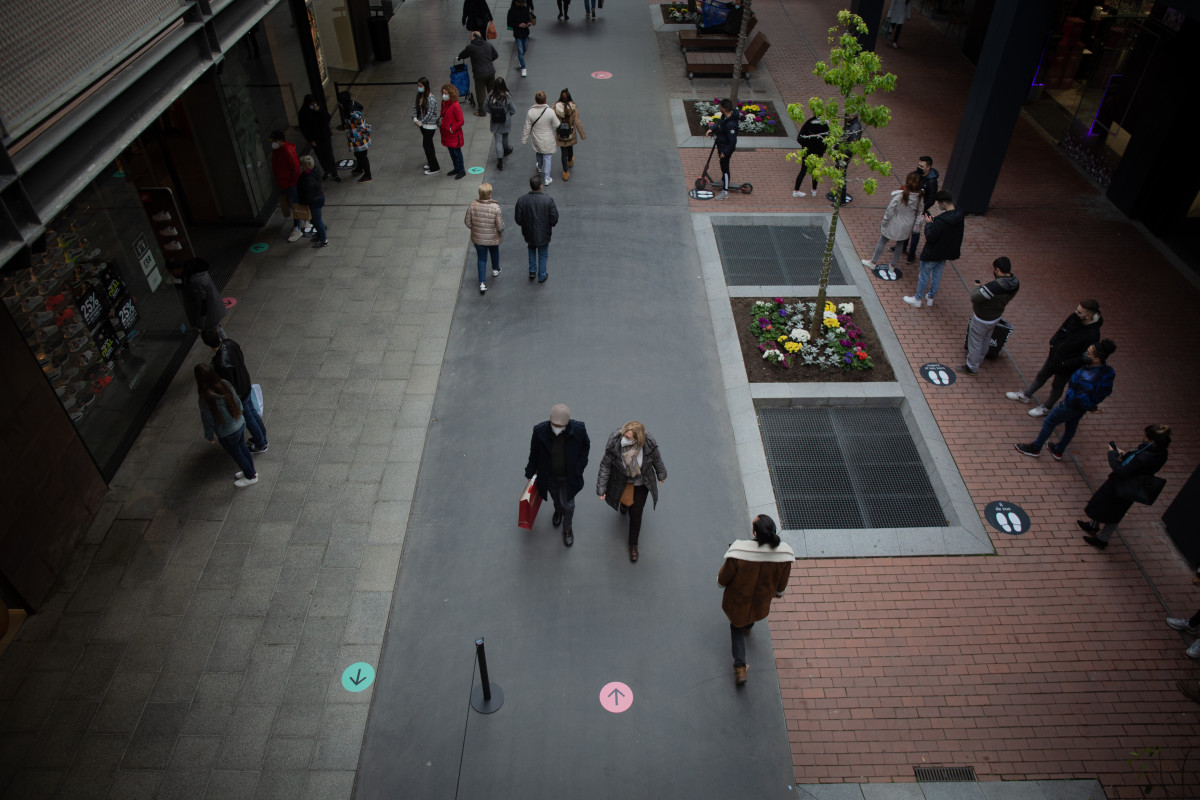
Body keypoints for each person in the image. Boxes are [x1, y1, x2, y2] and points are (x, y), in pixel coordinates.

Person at [718, 514, 794, 686]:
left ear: (755, 532)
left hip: (738, 601)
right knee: (750, 618)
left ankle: (740, 667)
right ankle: (748, 626)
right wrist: (778, 592)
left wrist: (720, 582)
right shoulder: (784, 556)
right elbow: (781, 586)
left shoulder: (739, 552)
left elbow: (723, 578)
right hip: (761, 602)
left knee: (736, 627)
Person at [1015, 340, 1117, 459]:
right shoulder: (1108, 372)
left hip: (1070, 405)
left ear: (1096, 359)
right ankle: (1059, 450)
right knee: (1071, 426)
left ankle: (1036, 447)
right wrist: (1092, 406)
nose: (1085, 354)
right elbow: (1105, 391)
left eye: (1088, 353)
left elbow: (1080, 398)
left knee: (1049, 422)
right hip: (1082, 408)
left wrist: (1076, 404)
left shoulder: (1086, 377)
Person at [1079, 424, 1170, 549]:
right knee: (1105, 505)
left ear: (1153, 440)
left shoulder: (1146, 457)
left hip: (1124, 486)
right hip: (1131, 485)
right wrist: (1125, 456)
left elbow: (1121, 471)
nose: (1144, 438)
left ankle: (1102, 539)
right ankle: (1093, 525)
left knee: (1114, 512)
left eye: (1146, 437)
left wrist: (1112, 455)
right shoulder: (1160, 452)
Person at [1006, 300, 1103, 417]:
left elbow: (1085, 356)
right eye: (1077, 309)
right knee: (1041, 375)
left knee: (1057, 386)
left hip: (1067, 366)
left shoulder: (1093, 335)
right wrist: (1053, 343)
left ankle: (1046, 407)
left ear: (1088, 316)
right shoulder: (1074, 317)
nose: (1075, 312)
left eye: (1079, 312)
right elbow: (1062, 329)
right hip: (1054, 356)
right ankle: (1026, 395)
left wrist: (1066, 363)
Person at [596, 422, 668, 563]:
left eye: (629, 437)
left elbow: (657, 459)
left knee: (636, 514)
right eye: (625, 435)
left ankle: (633, 544)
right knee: (624, 499)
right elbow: (605, 465)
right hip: (621, 480)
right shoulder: (615, 442)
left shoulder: (648, 443)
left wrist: (661, 474)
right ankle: (624, 504)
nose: (625, 438)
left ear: (638, 440)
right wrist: (601, 488)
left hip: (641, 483)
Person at [524, 404, 590, 547]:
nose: (557, 428)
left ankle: (567, 529)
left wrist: (579, 468)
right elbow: (534, 454)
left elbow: (586, 447)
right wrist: (530, 473)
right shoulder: (539, 431)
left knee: (569, 505)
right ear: (550, 420)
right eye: (554, 424)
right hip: (549, 476)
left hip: (569, 476)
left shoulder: (578, 430)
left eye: (560, 425)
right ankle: (558, 510)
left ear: (567, 423)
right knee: (556, 498)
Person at [201, 328, 268, 454]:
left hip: (239, 392)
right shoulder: (230, 343)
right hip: (245, 383)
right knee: (252, 412)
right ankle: (261, 437)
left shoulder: (220, 363)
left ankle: (261, 443)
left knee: (249, 417)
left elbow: (228, 385)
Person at [195, 364, 257, 488]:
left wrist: (209, 435)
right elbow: (237, 401)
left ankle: (250, 476)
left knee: (237, 454)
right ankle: (250, 471)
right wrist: (240, 415)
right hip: (239, 423)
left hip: (227, 432)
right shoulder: (225, 384)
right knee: (243, 448)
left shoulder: (205, 398)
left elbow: (208, 420)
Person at [955, 256, 1019, 375]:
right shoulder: (1015, 283)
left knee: (975, 342)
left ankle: (971, 367)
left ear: (998, 269)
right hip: (996, 316)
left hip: (982, 318)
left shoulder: (995, 286)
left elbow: (975, 298)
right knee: (986, 338)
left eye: (995, 269)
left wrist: (977, 286)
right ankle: (980, 358)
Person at [904, 190, 962, 308]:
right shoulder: (959, 217)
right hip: (945, 253)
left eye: (939, 204)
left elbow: (930, 237)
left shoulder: (941, 222)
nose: (939, 206)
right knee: (937, 275)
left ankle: (917, 299)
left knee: (924, 275)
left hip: (932, 253)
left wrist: (929, 224)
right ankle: (930, 297)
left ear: (944, 204)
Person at [861, 171, 922, 278]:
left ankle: (873, 262)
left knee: (883, 240)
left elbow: (890, 210)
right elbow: (920, 211)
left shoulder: (900, 195)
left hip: (894, 222)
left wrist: (884, 222)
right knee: (900, 244)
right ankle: (892, 265)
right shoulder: (920, 196)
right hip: (908, 225)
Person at [514, 175, 558, 282]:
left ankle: (532, 271)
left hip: (528, 231)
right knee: (543, 254)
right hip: (544, 232)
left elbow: (518, 218)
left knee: (531, 248)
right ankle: (542, 275)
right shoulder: (548, 200)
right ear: (541, 186)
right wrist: (550, 225)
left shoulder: (522, 200)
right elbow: (554, 217)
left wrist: (524, 224)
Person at [465, 182, 504, 294]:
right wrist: (500, 231)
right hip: (492, 237)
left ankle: (482, 283)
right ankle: (495, 269)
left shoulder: (472, 205)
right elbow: (500, 226)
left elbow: (467, 222)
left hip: (478, 238)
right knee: (494, 252)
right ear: (490, 194)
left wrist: (475, 228)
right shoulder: (495, 207)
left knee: (481, 259)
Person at [901, 156, 940, 263]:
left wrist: (921, 209)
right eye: (918, 165)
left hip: (920, 211)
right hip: (911, 208)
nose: (919, 168)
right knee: (906, 228)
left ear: (928, 167)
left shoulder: (932, 182)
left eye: (921, 166)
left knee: (915, 233)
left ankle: (911, 254)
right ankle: (902, 247)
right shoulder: (917, 174)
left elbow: (931, 199)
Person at [268, 130, 304, 241]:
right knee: (292, 204)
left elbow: (295, 169)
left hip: (290, 184)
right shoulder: (277, 150)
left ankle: (297, 228)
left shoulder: (287, 151)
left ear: (280, 140)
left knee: (295, 205)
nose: (273, 143)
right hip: (285, 183)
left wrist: (292, 182)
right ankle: (300, 221)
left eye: (274, 141)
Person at [179, 258, 226, 337]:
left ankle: (224, 347)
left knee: (214, 335)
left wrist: (200, 322)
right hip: (215, 310)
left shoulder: (197, 282)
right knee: (218, 330)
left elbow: (202, 304)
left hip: (210, 315)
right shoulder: (202, 274)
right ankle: (226, 345)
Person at [297, 95, 340, 182]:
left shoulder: (319, 108)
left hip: (325, 136)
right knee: (321, 156)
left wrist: (319, 111)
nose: (313, 105)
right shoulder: (303, 113)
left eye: (314, 104)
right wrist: (310, 140)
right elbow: (304, 129)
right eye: (311, 104)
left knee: (329, 155)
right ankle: (326, 170)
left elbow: (327, 118)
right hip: (315, 138)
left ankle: (334, 173)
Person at [521, 91, 560, 186]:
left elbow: (527, 127)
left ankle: (539, 166)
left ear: (536, 100)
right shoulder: (550, 111)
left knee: (539, 152)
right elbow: (557, 124)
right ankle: (547, 178)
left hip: (537, 137)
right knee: (548, 157)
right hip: (547, 138)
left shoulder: (531, 112)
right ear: (545, 100)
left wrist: (524, 139)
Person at [825, 110, 862, 206]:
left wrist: (841, 154)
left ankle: (841, 199)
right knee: (840, 174)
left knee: (841, 175)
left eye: (849, 115)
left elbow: (851, 146)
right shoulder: (852, 124)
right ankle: (840, 197)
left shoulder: (855, 127)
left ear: (854, 115)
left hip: (843, 156)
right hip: (842, 154)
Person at [458, 31, 499, 117]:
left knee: (481, 93)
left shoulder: (471, 47)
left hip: (479, 74)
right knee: (492, 90)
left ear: (474, 37)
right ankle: (494, 107)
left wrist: (459, 57)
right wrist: (488, 61)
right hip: (491, 72)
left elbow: (463, 54)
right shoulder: (488, 44)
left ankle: (482, 111)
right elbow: (495, 55)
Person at [705, 98, 739, 200]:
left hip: (725, 149)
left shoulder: (731, 125)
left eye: (720, 107)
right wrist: (712, 128)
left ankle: (725, 191)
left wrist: (725, 152)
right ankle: (723, 180)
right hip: (721, 146)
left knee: (725, 169)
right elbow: (720, 123)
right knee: (722, 166)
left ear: (723, 109)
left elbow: (732, 142)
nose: (720, 109)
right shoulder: (725, 117)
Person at [552, 89, 586, 182]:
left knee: (563, 153)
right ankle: (570, 161)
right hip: (571, 132)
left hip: (560, 132)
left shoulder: (556, 107)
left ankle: (565, 172)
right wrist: (582, 134)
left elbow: (552, 119)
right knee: (570, 147)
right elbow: (577, 122)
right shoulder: (573, 107)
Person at [792, 113, 828, 198]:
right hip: (819, 152)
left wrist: (807, 146)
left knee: (803, 170)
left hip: (808, 151)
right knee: (815, 171)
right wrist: (823, 149)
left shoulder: (809, 124)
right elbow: (827, 140)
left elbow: (799, 138)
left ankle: (796, 190)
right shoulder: (826, 125)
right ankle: (814, 190)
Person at [296, 155, 328, 248]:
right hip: (317, 199)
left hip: (314, 202)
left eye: (301, 165)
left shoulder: (308, 180)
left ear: (305, 166)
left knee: (317, 221)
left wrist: (303, 203)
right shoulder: (314, 171)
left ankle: (324, 240)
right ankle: (320, 235)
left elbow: (308, 195)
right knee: (313, 220)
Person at [411, 77, 441, 175]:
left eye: (421, 86)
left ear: (425, 86)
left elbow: (430, 113)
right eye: (418, 86)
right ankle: (431, 162)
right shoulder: (419, 95)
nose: (419, 88)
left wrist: (420, 122)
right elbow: (415, 107)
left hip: (429, 125)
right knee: (428, 144)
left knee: (427, 145)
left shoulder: (431, 99)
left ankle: (434, 167)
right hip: (423, 124)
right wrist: (415, 118)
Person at [486, 78, 516, 171]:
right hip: (505, 120)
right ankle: (506, 148)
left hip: (495, 121)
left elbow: (485, 106)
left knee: (498, 141)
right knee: (505, 135)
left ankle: (500, 162)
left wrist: (493, 112)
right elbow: (513, 109)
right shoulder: (507, 96)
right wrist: (508, 114)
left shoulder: (490, 95)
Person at [440, 84, 466, 179]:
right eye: (443, 93)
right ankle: (456, 168)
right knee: (452, 153)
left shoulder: (455, 105)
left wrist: (452, 129)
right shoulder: (444, 103)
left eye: (445, 93)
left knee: (457, 152)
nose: (443, 95)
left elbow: (461, 121)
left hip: (453, 134)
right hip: (447, 133)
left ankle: (462, 170)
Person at [346, 110, 373, 183]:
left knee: (362, 156)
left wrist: (369, 130)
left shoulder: (354, 115)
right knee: (358, 154)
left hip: (359, 140)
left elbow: (362, 127)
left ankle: (368, 175)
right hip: (355, 140)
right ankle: (360, 168)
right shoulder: (349, 113)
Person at [507, 0, 533, 77]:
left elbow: (528, 18)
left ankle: (519, 58)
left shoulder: (525, 9)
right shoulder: (511, 11)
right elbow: (509, 23)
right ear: (516, 2)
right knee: (520, 50)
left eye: (523, 3)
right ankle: (523, 67)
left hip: (525, 32)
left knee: (524, 48)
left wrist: (528, 23)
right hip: (518, 33)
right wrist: (518, 25)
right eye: (520, 2)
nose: (522, 4)